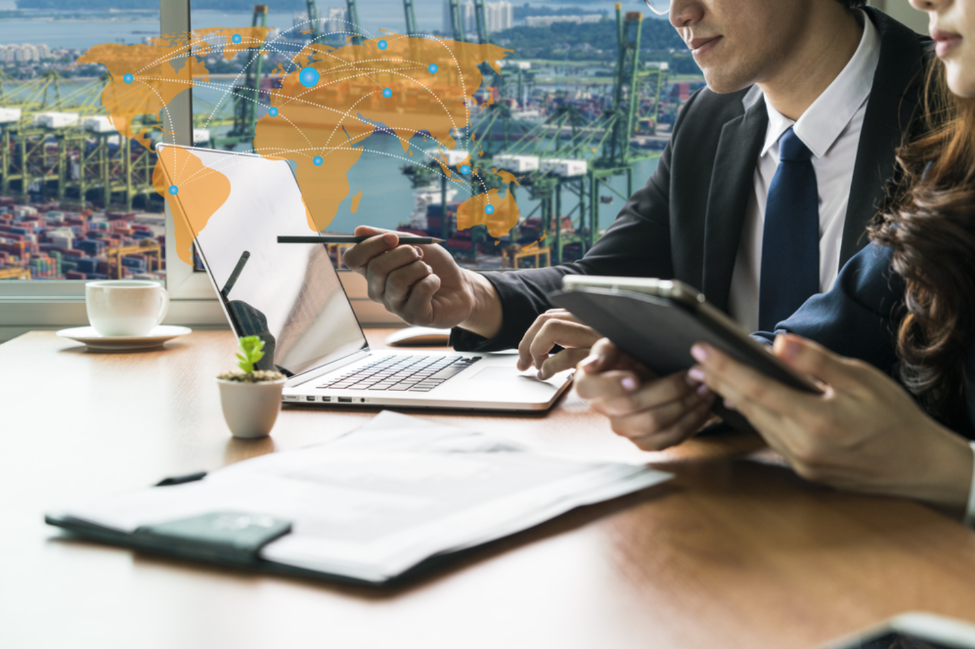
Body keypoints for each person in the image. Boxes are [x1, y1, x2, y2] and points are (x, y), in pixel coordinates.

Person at [344, 0, 930, 449]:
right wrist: (471, 294)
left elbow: (869, 343)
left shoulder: (954, 108)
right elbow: (604, 281)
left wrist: (669, 361)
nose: (680, 13)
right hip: (726, 479)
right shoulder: (712, 117)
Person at [581, 0, 975, 519]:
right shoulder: (961, 171)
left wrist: (947, 470)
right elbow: (847, 315)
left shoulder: (937, 111)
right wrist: (676, 371)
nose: (678, 13)